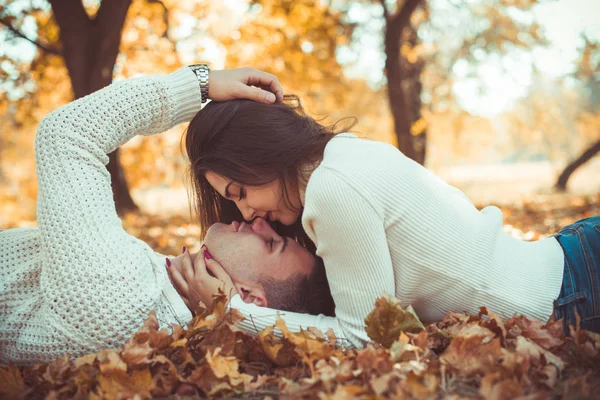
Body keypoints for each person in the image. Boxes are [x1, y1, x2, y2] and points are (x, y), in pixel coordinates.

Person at [179, 95, 600, 348]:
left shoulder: (333, 188)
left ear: (260, 155)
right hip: (568, 259)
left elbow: (366, 340)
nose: (247, 213)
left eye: (240, 193)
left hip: (571, 292)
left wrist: (234, 313)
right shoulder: (339, 156)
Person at [0, 66, 334, 366]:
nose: (260, 223)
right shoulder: (154, 310)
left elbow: (66, 135)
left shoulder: (122, 299)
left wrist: (199, 84)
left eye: (273, 244)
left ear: (247, 298)